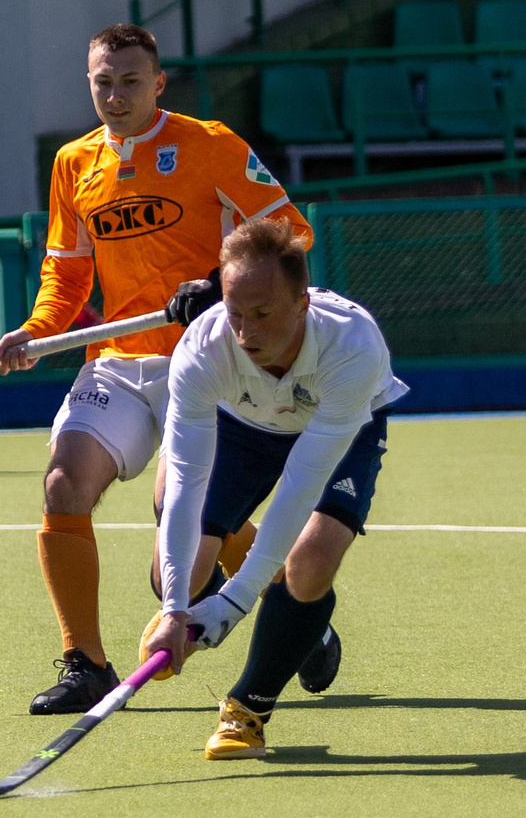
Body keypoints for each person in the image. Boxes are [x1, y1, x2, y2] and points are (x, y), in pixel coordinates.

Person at [0, 22, 311, 715]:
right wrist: (36, 331)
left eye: (130, 80)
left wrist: (225, 285)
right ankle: (86, 663)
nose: (115, 94)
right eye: (102, 81)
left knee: (179, 510)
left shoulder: (211, 145)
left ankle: (292, 601)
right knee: (62, 485)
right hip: (118, 363)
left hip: (210, 358)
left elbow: (291, 234)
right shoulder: (74, 163)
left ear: (158, 83)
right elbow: (65, 273)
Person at [140, 215, 407, 759]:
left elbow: (299, 487)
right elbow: (186, 482)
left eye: (262, 314)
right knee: (182, 570)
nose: (245, 333)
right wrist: (174, 609)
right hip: (239, 425)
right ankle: (299, 626)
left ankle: (248, 709)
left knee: (310, 562)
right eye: (235, 313)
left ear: (302, 303)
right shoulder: (203, 347)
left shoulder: (352, 347)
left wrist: (234, 603)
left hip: (337, 428)